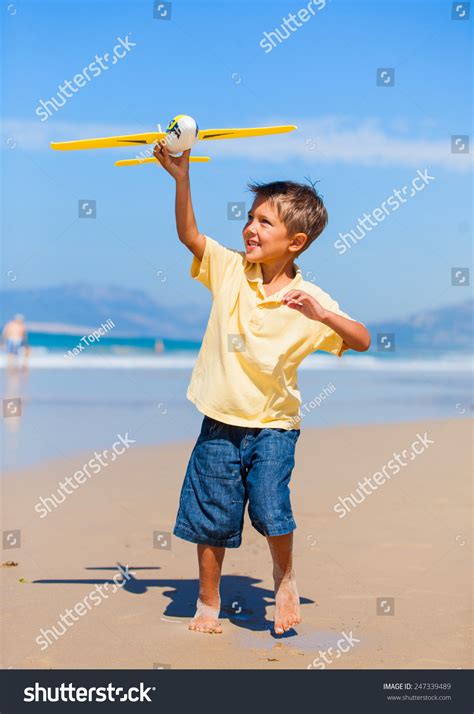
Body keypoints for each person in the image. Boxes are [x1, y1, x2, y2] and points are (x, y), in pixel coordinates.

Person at [153, 144, 371, 635]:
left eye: (264, 223)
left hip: (273, 426)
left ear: (295, 242)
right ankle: (208, 602)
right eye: (250, 218)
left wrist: (322, 315)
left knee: (272, 508)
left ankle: (284, 574)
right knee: (210, 514)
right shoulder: (231, 270)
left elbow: (361, 339)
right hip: (220, 419)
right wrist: (180, 177)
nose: (250, 228)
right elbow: (189, 234)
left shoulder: (310, 299)